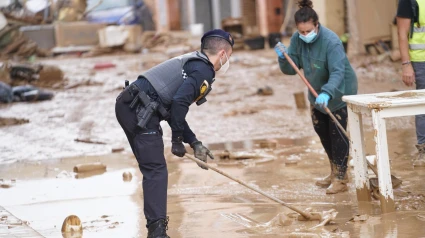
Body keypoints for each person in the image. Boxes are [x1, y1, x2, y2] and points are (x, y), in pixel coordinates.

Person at [115, 29, 234, 238]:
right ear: (223, 54)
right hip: (138, 111)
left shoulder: (193, 63)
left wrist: (194, 142)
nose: (228, 62)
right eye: (229, 57)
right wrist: (176, 140)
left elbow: (171, 109)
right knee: (156, 170)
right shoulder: (204, 71)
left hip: (130, 106)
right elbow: (179, 103)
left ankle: (156, 230)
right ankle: (157, 233)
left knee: (152, 169)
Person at [274, 0, 358, 194]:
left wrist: (328, 92)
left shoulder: (331, 42)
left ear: (316, 25)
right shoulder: (297, 39)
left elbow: (337, 72)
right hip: (315, 91)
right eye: (301, 32)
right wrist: (283, 57)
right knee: (322, 131)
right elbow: (291, 69)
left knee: (337, 133)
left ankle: (341, 178)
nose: (305, 35)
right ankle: (335, 170)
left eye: (308, 31)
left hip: (339, 90)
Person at [397, 0, 425, 167]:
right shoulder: (409, 1)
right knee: (423, 105)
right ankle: (423, 149)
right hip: (421, 60)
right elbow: (402, 33)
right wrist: (406, 65)